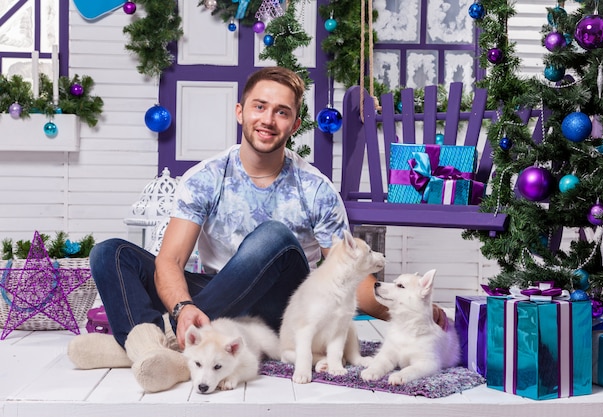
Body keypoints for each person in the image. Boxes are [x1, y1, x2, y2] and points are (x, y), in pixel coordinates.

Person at [67, 66, 446, 392]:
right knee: (111, 253)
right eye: (259, 107)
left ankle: (162, 344)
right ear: (240, 112)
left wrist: (408, 308)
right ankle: (147, 349)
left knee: (274, 237)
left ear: (295, 125)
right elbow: (171, 261)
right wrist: (183, 309)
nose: (268, 119)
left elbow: (350, 277)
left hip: (284, 309)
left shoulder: (315, 188)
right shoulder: (206, 177)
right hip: (219, 298)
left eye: (282, 112)